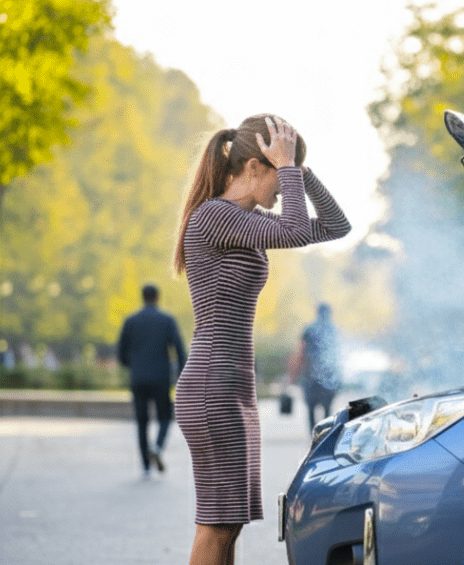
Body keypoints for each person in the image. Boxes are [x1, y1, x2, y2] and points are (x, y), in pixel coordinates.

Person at [172, 114, 350, 565]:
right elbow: (294, 229)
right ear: (253, 168)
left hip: (233, 387)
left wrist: (300, 171)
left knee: (229, 523)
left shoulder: (244, 224)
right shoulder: (215, 216)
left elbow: (336, 227)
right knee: (217, 524)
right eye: (279, 173)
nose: (283, 188)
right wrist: (291, 168)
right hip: (213, 384)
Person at [117, 283, 187, 478]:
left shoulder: (131, 321)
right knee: (165, 417)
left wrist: (131, 365)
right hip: (160, 377)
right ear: (157, 298)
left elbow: (121, 351)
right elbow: (179, 349)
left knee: (141, 421)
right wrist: (182, 373)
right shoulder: (166, 320)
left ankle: (146, 466)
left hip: (138, 377)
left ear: (143, 297)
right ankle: (157, 447)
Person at [288, 303, 343, 432]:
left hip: (310, 375)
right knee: (328, 409)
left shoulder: (309, 329)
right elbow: (339, 354)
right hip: (329, 375)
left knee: (311, 408)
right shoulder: (334, 329)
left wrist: (292, 375)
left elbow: (301, 352)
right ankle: (326, 435)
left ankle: (314, 436)